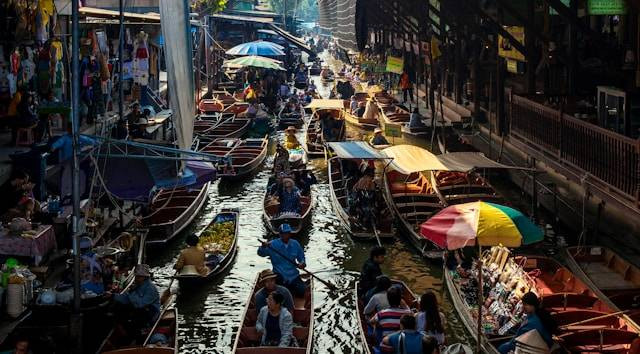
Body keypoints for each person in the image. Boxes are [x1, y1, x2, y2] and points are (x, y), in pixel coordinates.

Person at [258, 223, 307, 296]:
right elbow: (261, 253)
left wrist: (302, 264)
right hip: (279, 275)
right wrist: (263, 247)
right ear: (280, 234)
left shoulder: (295, 244)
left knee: (302, 291)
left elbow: (302, 259)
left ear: (290, 234)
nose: (285, 235)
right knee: (279, 292)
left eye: (287, 233)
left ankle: (290, 292)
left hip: (293, 275)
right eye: (283, 234)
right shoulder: (272, 244)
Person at [110, 264, 161, 330]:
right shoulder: (137, 285)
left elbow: (140, 304)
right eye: (136, 276)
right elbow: (126, 298)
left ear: (144, 277)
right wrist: (113, 295)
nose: (136, 278)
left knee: (138, 315)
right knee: (118, 307)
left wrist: (132, 292)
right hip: (138, 308)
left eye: (139, 277)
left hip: (151, 312)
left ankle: (141, 329)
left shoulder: (150, 289)